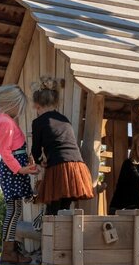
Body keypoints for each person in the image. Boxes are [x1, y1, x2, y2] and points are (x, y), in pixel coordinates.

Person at [31, 76, 94, 215]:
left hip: (59, 167)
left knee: (52, 211)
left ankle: (51, 236)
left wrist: (40, 161)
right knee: (64, 208)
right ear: (55, 102)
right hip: (77, 167)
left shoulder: (38, 122)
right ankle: (64, 235)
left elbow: (35, 150)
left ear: (37, 105)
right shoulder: (64, 119)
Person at [0, 84, 38, 264]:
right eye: (18, 107)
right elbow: (4, 151)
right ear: (11, 104)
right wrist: (19, 169)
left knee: (16, 209)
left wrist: (25, 164)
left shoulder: (4, 120)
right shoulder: (4, 121)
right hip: (12, 171)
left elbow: (12, 149)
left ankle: (9, 249)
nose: (20, 111)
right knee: (13, 210)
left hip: (14, 170)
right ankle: (8, 251)